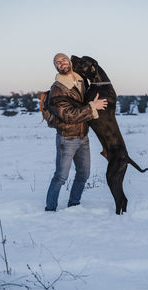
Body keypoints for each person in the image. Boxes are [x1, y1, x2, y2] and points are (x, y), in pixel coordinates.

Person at [45, 53, 108, 211]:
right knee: (61, 177)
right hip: (67, 139)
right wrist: (93, 107)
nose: (61, 63)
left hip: (83, 138)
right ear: (56, 67)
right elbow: (68, 115)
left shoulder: (80, 81)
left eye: (63, 59)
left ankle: (74, 204)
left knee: (84, 174)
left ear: (69, 61)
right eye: (57, 62)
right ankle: (50, 208)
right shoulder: (57, 89)